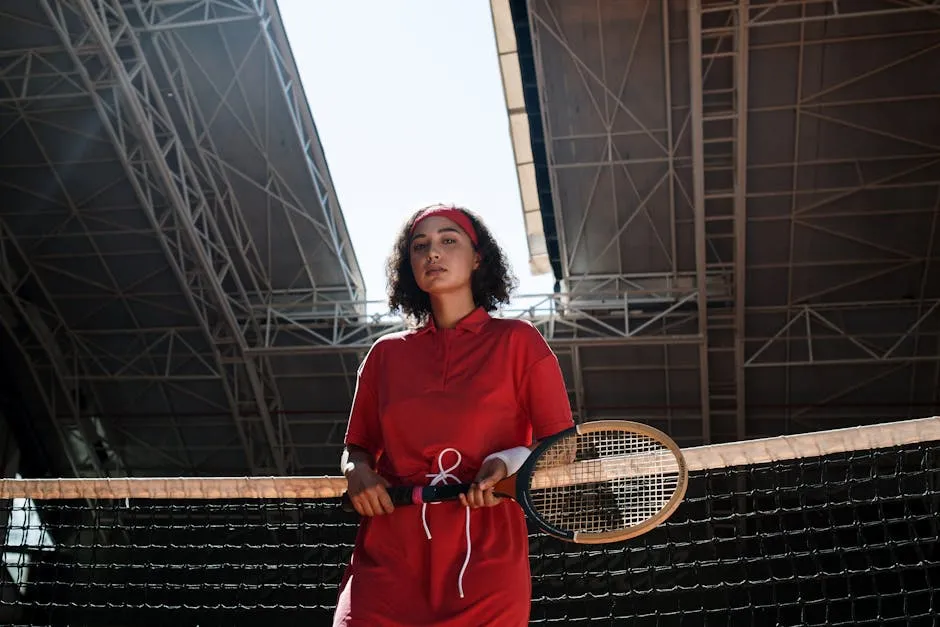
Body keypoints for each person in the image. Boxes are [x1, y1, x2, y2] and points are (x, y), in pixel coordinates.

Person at [332, 204, 574, 627]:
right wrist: (358, 472)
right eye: (420, 246)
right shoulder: (385, 355)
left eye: (449, 240)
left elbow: (563, 445)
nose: (433, 253)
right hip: (389, 551)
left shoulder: (519, 341)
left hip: (485, 553)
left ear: (478, 257)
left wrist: (505, 463)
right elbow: (357, 447)